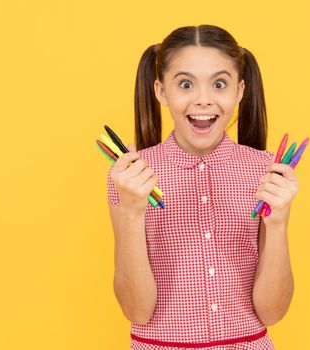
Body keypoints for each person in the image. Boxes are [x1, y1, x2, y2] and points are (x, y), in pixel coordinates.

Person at [107, 24, 299, 349]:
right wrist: (131, 214)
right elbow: (136, 310)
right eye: (185, 84)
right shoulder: (130, 175)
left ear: (239, 91)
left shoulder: (267, 171)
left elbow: (273, 312)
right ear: (161, 91)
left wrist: (277, 223)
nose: (203, 100)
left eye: (219, 84)